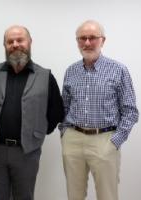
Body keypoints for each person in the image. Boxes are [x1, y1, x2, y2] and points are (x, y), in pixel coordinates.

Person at [59, 20, 139, 200]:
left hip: (105, 140)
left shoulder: (118, 70)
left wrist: (115, 141)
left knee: (107, 196)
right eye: (82, 38)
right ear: (77, 41)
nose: (87, 43)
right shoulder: (71, 71)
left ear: (103, 40)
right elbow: (64, 106)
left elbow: (131, 111)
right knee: (74, 195)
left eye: (92, 38)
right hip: (73, 140)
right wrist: (65, 134)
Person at [0, 25, 64, 200]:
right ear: (5, 45)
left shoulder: (45, 76)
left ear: (29, 42)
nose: (15, 44)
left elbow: (56, 112)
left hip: (27, 153)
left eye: (20, 40)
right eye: (10, 41)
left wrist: (36, 132)